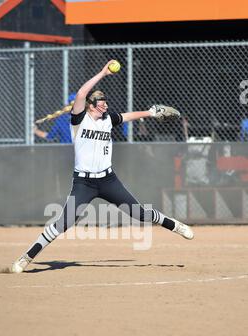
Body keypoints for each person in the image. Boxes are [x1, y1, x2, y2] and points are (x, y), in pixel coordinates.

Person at [12, 60, 194, 273]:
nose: (105, 104)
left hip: (108, 181)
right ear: (91, 104)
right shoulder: (79, 120)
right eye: (101, 101)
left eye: (105, 101)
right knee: (63, 223)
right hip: (84, 183)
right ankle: (27, 257)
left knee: (140, 213)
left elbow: (127, 117)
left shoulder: (107, 119)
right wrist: (102, 73)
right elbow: (81, 93)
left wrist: (151, 113)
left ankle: (175, 225)